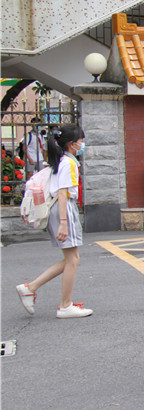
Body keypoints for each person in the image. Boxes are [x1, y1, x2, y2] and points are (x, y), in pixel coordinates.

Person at [16, 125, 93, 319]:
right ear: (72, 144)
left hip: (58, 209)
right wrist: (64, 222)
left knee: (71, 259)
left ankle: (30, 288)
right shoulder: (69, 163)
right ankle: (65, 305)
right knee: (73, 259)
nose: (82, 144)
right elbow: (62, 192)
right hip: (63, 209)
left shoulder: (60, 161)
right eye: (81, 141)